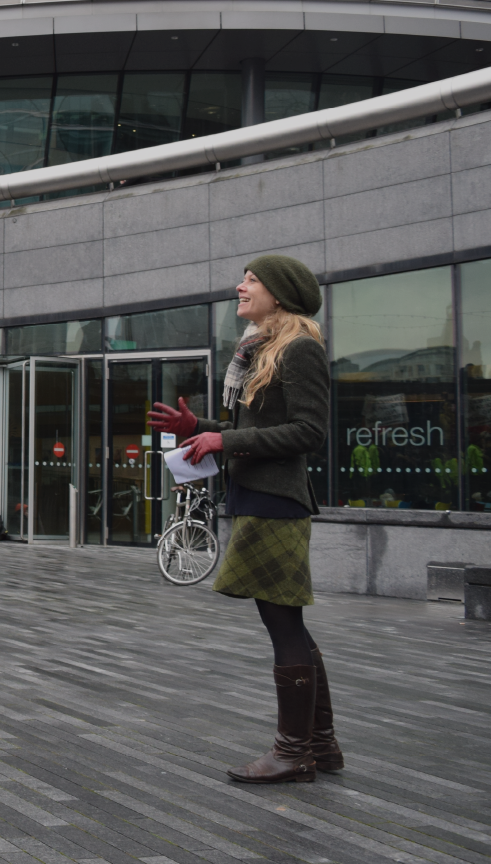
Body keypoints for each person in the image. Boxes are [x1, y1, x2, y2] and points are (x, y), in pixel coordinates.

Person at [148, 254, 335, 785]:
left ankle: (294, 752)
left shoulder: (300, 350)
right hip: (256, 497)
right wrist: (200, 426)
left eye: (251, 280)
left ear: (279, 293)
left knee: (284, 623)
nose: (240, 286)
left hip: (277, 502)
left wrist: (224, 438)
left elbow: (307, 433)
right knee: (288, 621)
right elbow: (254, 426)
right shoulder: (259, 350)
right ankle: (320, 743)